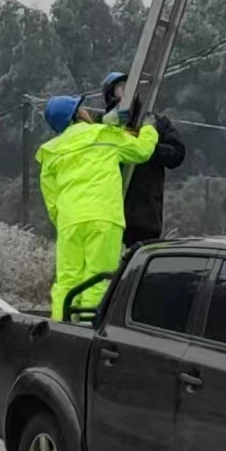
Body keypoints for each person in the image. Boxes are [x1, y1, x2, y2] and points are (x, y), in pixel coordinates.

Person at [37, 95, 159, 320]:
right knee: (97, 278)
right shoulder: (104, 134)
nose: (86, 110)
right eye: (81, 108)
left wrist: (66, 221)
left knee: (68, 280)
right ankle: (86, 329)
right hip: (104, 216)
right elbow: (142, 151)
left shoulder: (50, 151)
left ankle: (62, 327)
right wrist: (150, 128)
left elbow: (51, 200)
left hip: (69, 221)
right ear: (76, 115)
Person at [101, 71, 186, 249]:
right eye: (120, 89)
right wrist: (109, 126)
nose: (126, 93)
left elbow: (177, 154)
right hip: (110, 213)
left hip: (145, 213)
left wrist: (148, 147)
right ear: (110, 96)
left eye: (128, 87)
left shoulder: (155, 122)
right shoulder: (102, 126)